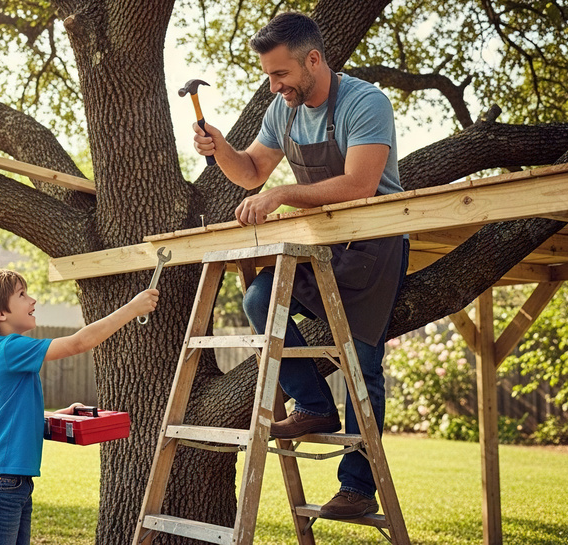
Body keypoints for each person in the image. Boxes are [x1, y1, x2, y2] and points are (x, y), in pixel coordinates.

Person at [192, 12, 409, 520]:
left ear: (314, 59)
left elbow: (359, 183)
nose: (275, 85)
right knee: (258, 298)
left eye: (281, 73)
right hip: (326, 245)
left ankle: (358, 488)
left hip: (375, 245)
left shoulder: (365, 102)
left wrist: (285, 194)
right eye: (269, 75)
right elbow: (250, 173)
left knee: (364, 367)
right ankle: (313, 406)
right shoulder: (281, 111)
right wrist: (220, 147)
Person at [0, 268, 158, 545]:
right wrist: (132, 309)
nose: (32, 300)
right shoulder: (8, 347)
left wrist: (58, 415)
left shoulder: (8, 351)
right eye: (22, 294)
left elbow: (11, 417)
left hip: (11, 481)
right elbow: (79, 343)